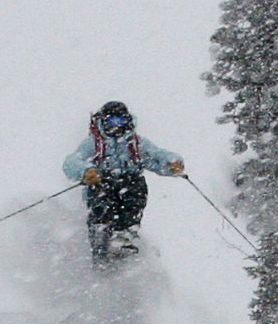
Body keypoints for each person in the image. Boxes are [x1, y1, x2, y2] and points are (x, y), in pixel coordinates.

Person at [59, 100, 186, 262]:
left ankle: (125, 232)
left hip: (128, 186)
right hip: (102, 188)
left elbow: (156, 157)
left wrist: (172, 163)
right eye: (112, 121)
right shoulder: (95, 143)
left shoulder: (135, 143)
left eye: (121, 121)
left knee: (135, 184)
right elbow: (71, 162)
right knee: (103, 190)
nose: (116, 126)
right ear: (103, 121)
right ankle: (102, 229)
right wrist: (86, 171)